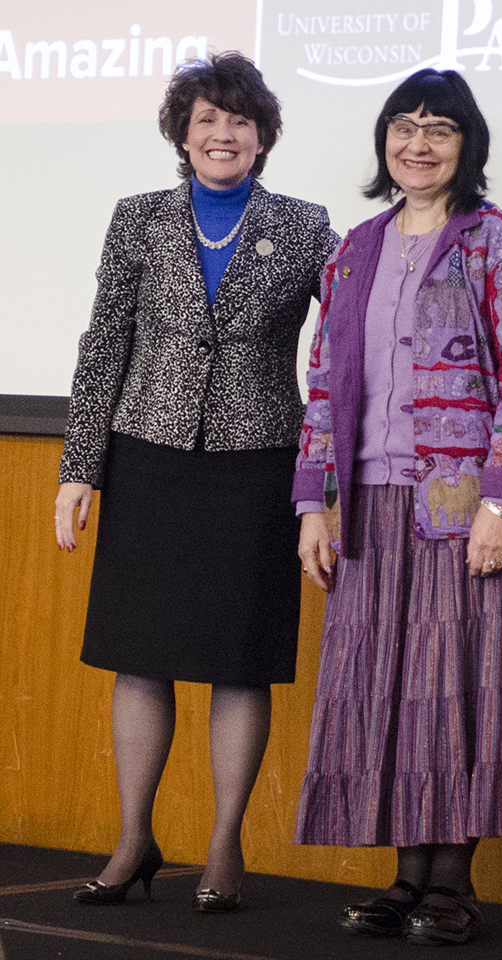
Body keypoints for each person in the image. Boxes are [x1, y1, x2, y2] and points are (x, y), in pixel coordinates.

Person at [293, 67, 502, 946]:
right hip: (372, 506)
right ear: (384, 142)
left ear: (467, 146)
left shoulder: (501, 242)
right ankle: (405, 879)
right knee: (388, 691)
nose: (417, 143)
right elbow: (323, 384)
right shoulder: (354, 247)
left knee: (461, 689)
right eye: (403, 126)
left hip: (465, 507)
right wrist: (315, 502)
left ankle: (450, 886)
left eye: (439, 129)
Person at [55, 52, 338, 911]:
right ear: (183, 132)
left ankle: (223, 846)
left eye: (239, 122)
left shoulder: (305, 224)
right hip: (147, 455)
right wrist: (80, 470)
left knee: (238, 661)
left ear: (263, 137)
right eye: (207, 119)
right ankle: (135, 838)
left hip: (257, 465)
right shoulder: (137, 218)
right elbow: (103, 344)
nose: (223, 134)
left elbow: (359, 323)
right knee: (139, 659)